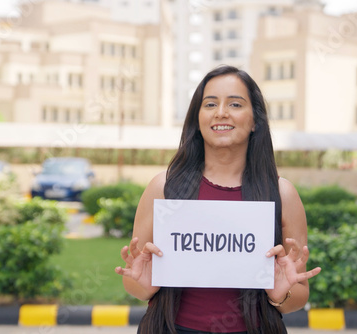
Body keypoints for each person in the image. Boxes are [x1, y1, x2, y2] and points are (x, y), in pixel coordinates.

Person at [115, 65, 321, 334]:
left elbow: (297, 296)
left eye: (235, 104)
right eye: (210, 104)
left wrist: (279, 293)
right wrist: (143, 283)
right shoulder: (162, 188)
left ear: (255, 120)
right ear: (197, 119)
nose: (221, 112)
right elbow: (137, 286)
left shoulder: (282, 194)